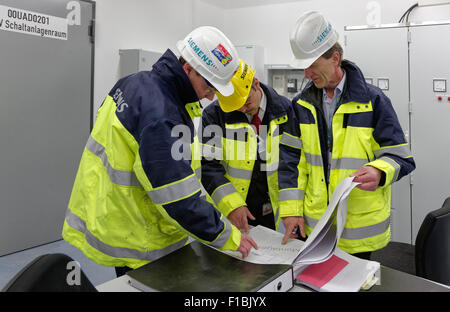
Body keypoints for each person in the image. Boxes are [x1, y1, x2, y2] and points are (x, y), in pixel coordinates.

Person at [62, 26, 257, 277]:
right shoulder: (162, 114)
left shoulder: (135, 83)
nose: (210, 97)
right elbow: (178, 197)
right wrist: (228, 237)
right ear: (188, 69)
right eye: (209, 86)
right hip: (140, 237)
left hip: (121, 215)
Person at [288, 11, 415, 259]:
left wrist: (380, 172)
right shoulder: (300, 105)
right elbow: (291, 162)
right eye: (304, 66)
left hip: (358, 232)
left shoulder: (374, 101)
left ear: (335, 59)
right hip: (315, 226)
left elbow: (402, 158)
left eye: (312, 64)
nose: (307, 73)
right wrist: (290, 211)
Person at [200, 59, 305, 244]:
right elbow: (209, 167)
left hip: (270, 205)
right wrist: (232, 206)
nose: (242, 109)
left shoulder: (285, 110)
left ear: (256, 84)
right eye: (234, 105)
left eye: (245, 101)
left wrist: (291, 211)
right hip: (233, 207)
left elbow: (290, 163)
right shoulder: (214, 115)